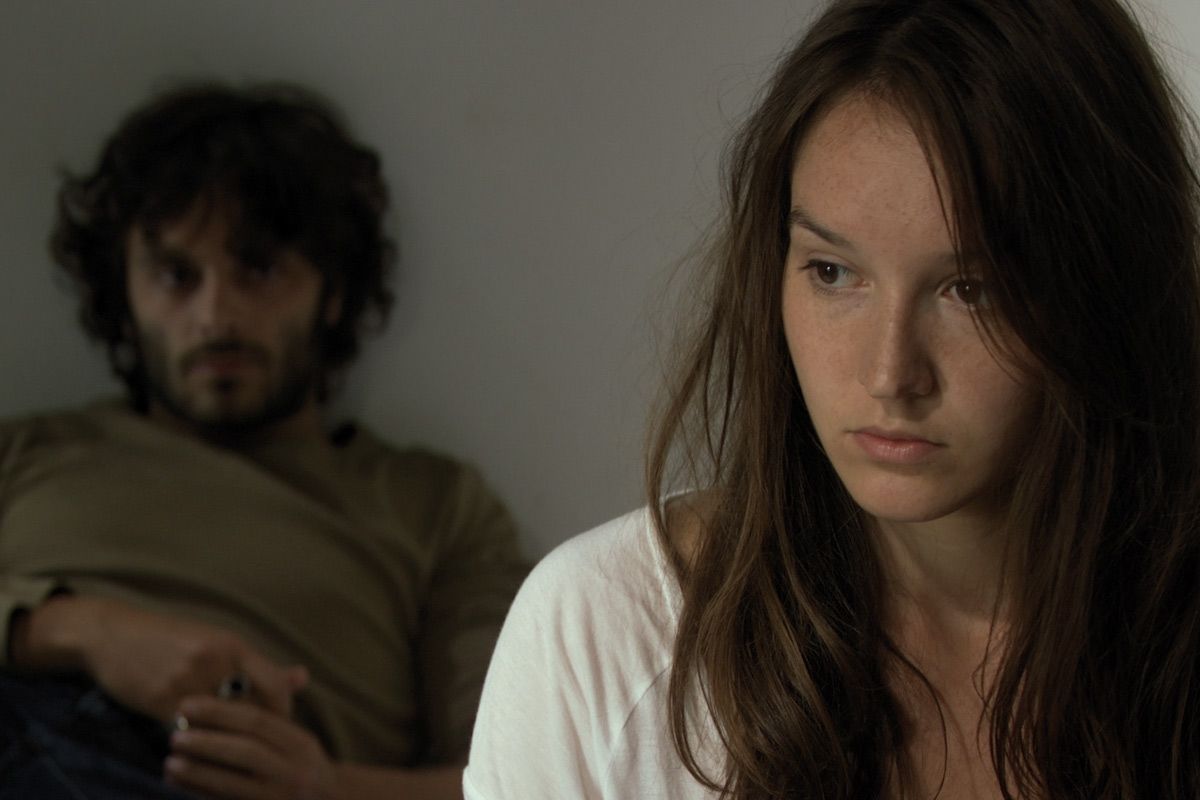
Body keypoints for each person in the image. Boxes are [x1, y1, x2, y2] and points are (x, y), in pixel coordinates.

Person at [463, 0, 1200, 797]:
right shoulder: (608, 635)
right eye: (833, 273)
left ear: (1110, 290)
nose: (889, 374)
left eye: (972, 289)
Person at [0, 82, 527, 799]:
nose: (216, 315)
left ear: (331, 292)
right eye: (176, 276)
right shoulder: (26, 453)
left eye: (259, 268)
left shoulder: (433, 505)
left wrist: (329, 788)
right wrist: (83, 631)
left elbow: (519, 776)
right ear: (124, 295)